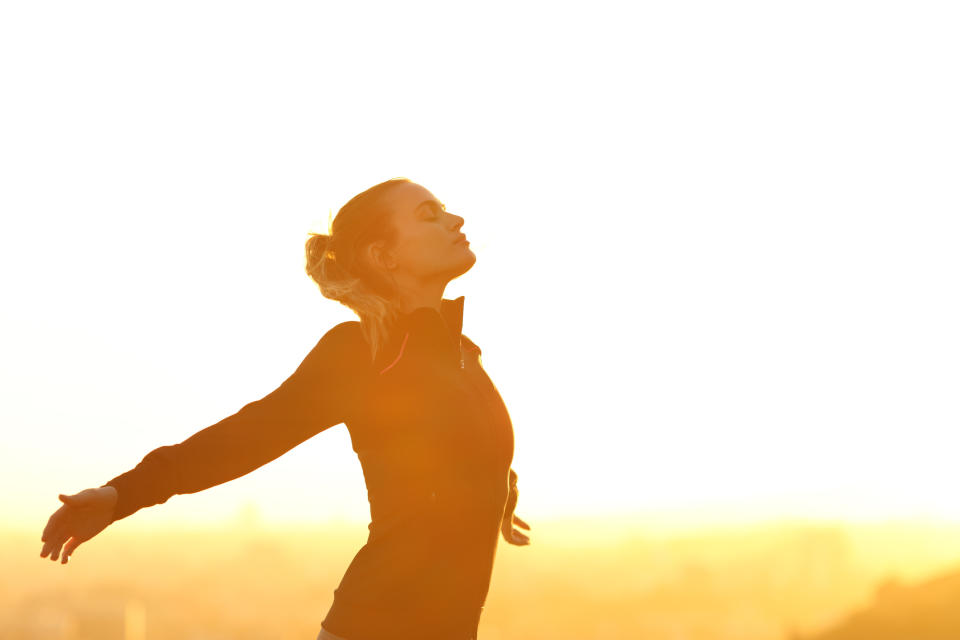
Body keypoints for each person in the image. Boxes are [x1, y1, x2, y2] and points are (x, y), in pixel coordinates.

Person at [39, 177, 531, 640]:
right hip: (377, 623)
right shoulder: (361, 353)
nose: (455, 221)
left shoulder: (462, 353)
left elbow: (451, 449)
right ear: (384, 255)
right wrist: (121, 494)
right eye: (430, 215)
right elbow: (249, 436)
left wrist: (494, 497)